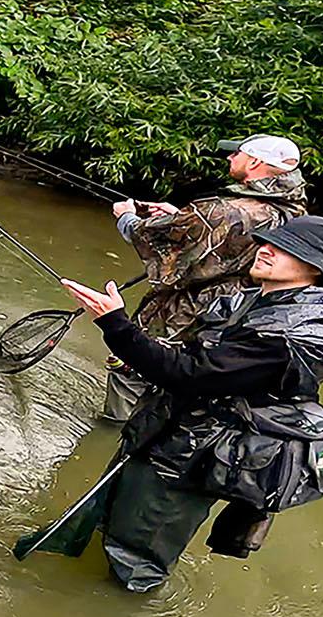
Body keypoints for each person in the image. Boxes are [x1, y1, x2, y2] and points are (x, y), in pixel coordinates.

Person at [23, 216, 323, 592]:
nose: (267, 249)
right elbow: (199, 359)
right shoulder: (258, 301)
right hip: (166, 431)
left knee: (137, 559)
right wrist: (137, 350)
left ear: (316, 267)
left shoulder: (288, 334)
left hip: (188, 459)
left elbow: (193, 375)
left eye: (286, 249)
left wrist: (116, 325)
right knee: (115, 516)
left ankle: (118, 616)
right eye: (268, 242)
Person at [101, 133, 311, 422]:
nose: (230, 157)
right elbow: (230, 243)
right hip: (236, 325)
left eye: (236, 153)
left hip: (187, 318)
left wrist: (127, 216)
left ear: (254, 162)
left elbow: (154, 242)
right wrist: (181, 217)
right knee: (189, 393)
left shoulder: (221, 210)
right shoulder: (296, 212)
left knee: (135, 371)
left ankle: (112, 431)